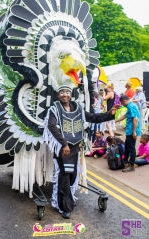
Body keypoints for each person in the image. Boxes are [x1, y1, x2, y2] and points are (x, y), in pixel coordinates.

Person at [44, 85, 119, 219]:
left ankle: (67, 199)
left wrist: (110, 114)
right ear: (58, 95)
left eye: (67, 92)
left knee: (72, 176)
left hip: (75, 148)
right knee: (65, 176)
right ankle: (64, 207)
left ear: (71, 95)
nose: (64, 94)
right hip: (63, 149)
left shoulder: (78, 108)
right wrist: (64, 144)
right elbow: (51, 127)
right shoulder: (54, 109)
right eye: (62, 92)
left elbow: (93, 117)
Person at [115, 95, 141, 172]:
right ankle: (126, 162)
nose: (122, 105)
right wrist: (116, 121)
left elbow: (135, 120)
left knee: (131, 148)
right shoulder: (130, 106)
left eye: (122, 103)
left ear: (124, 101)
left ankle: (132, 166)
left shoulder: (131, 106)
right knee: (127, 147)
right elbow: (125, 115)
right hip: (129, 130)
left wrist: (134, 132)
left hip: (132, 131)